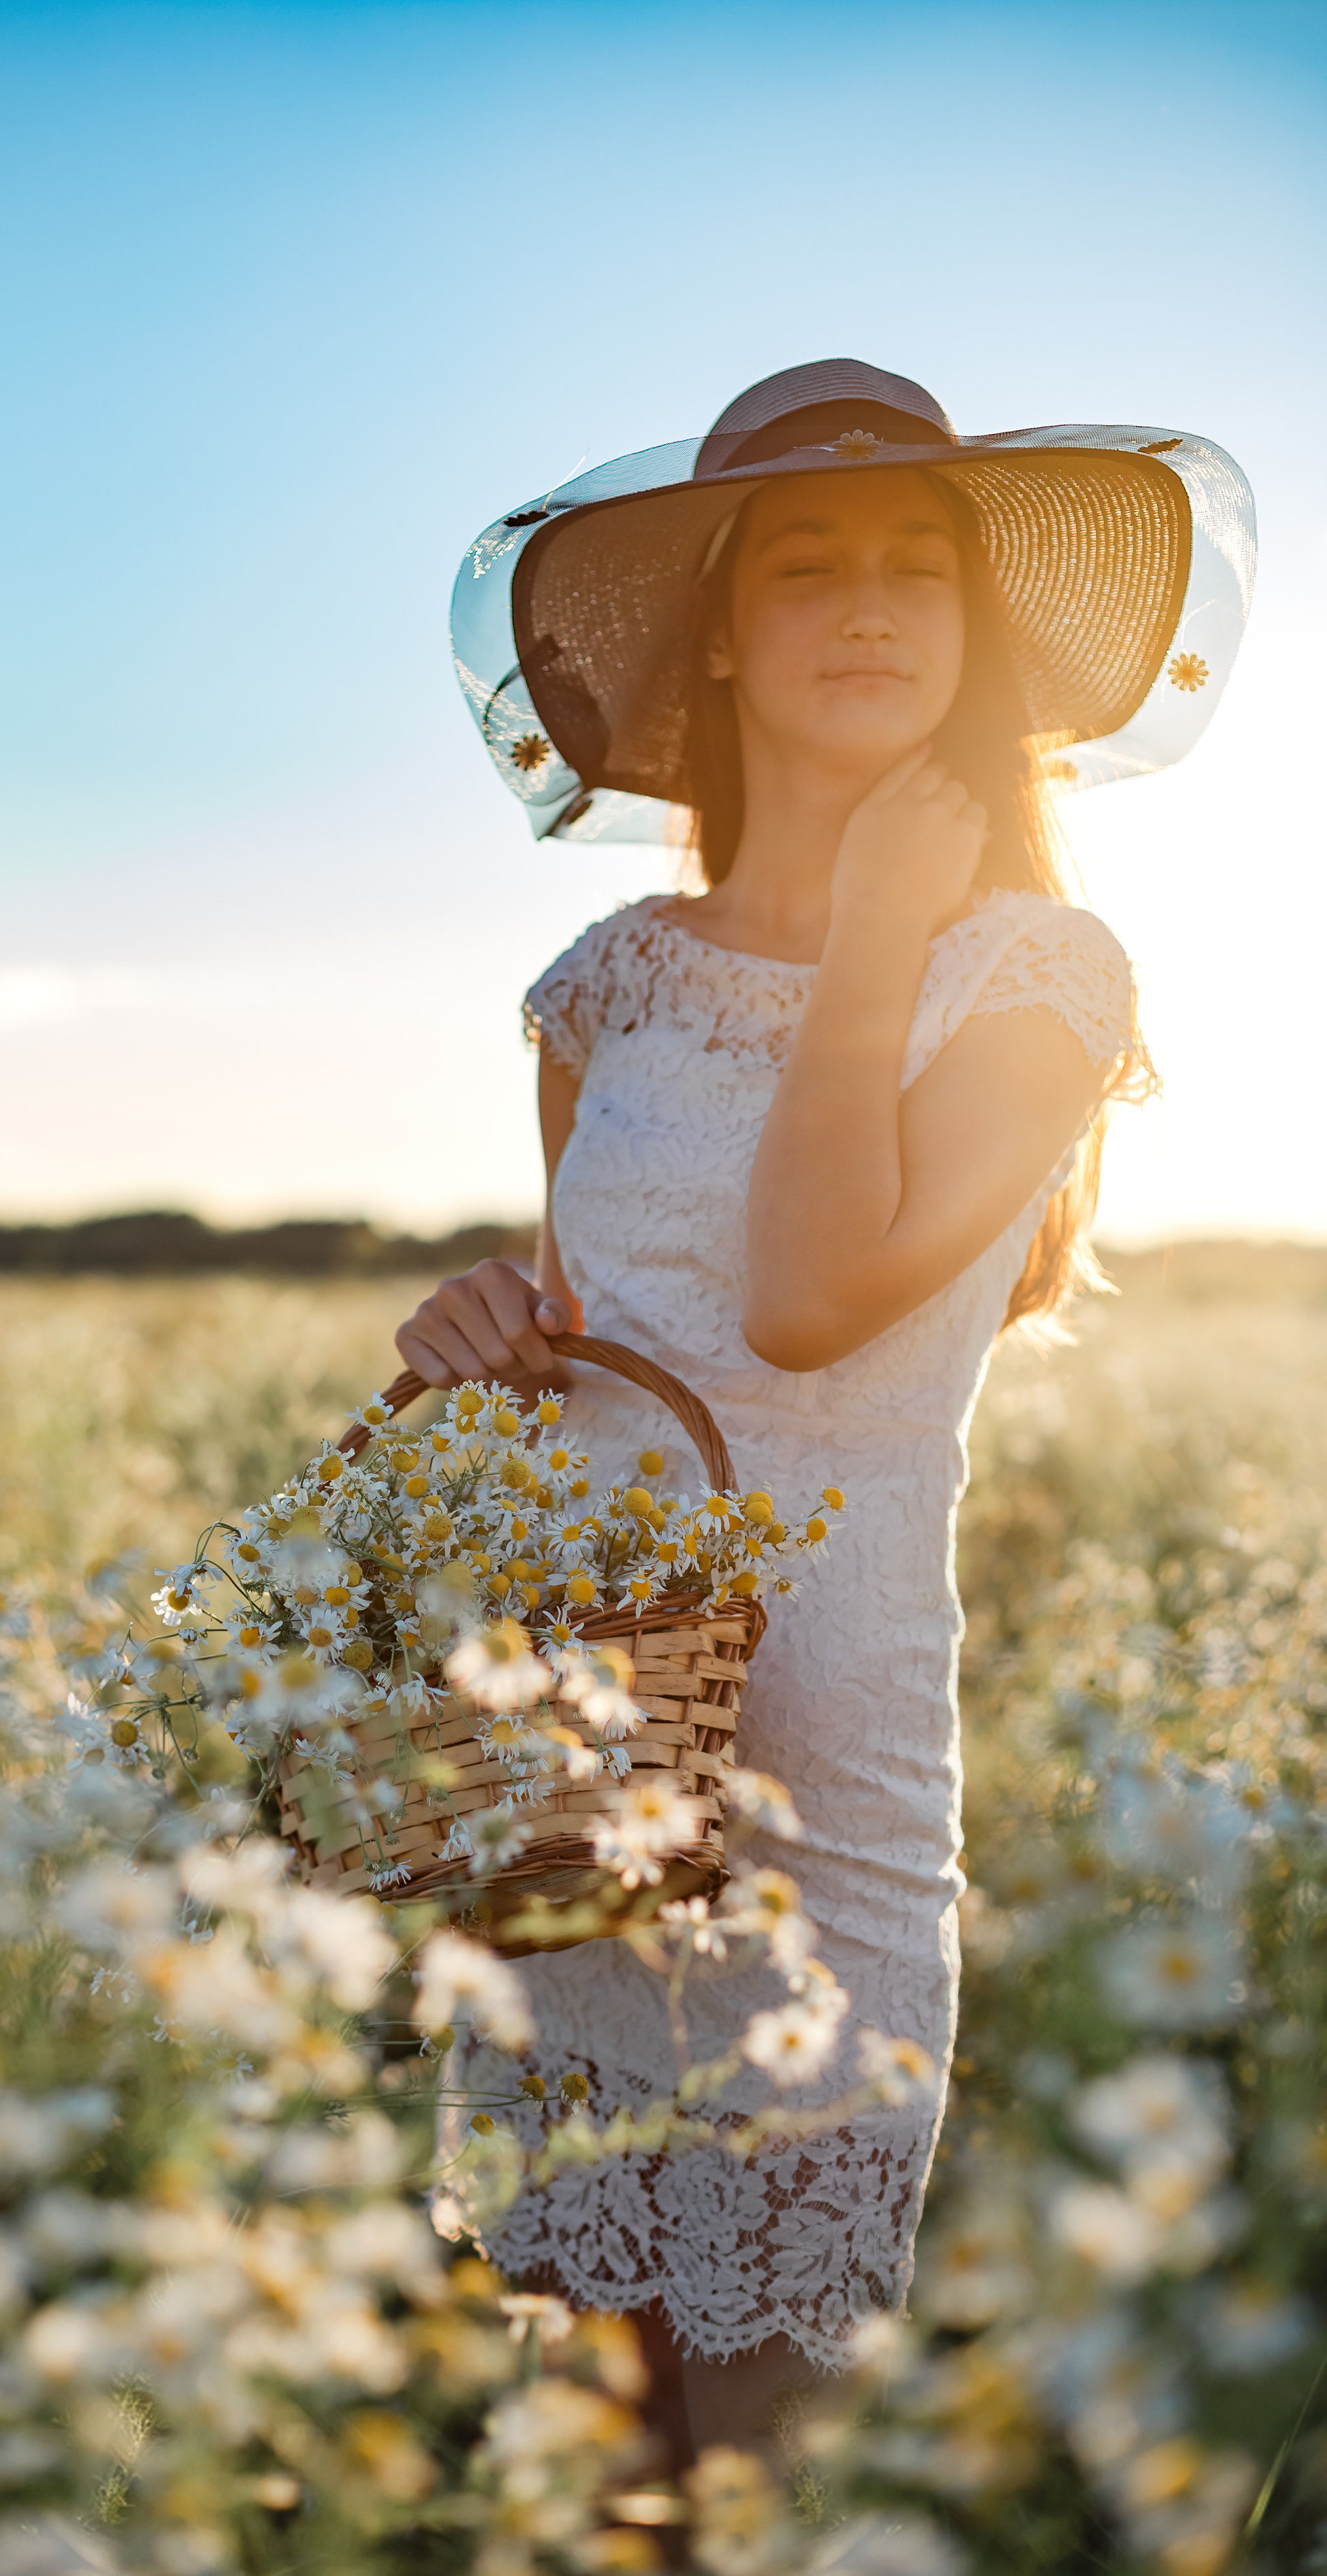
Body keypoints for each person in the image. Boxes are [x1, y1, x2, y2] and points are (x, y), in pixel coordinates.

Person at [400, 360, 1253, 2469]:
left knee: (771, 2447)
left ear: (973, 638)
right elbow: (609, 1362)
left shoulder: (1042, 974)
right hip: (597, 1765)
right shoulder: (601, 986)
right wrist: (483, 1334)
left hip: (836, 1783)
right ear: (719, 631)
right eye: (805, 566)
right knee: (558, 2456)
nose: (867, 606)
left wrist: (878, 925)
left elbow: (798, 1308)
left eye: (914, 567)